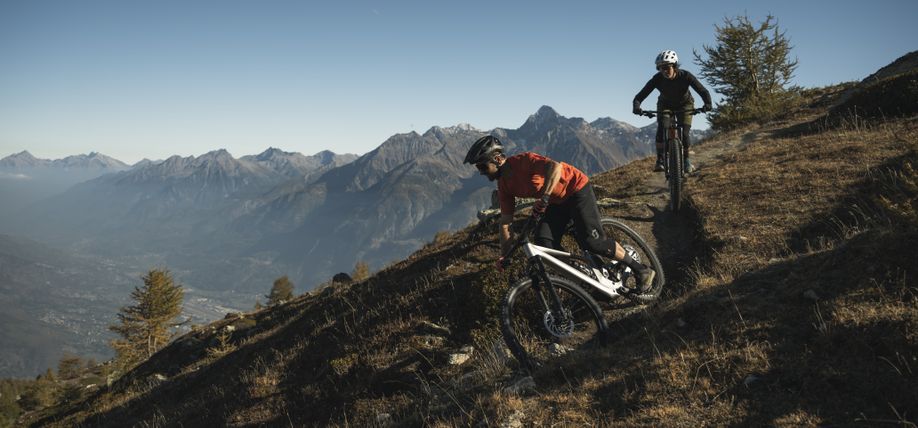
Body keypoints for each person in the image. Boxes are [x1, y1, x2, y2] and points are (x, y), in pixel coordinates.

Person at [464, 135, 655, 292]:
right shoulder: (503, 186)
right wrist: (504, 256)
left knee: (592, 242)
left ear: (497, 159)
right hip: (557, 201)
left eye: (482, 166)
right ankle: (585, 275)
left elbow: (556, 167)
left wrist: (545, 197)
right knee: (544, 242)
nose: (481, 172)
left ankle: (642, 270)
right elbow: (505, 223)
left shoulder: (524, 161)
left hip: (576, 189)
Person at [633, 49, 713, 173]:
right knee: (662, 127)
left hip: (685, 104)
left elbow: (702, 90)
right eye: (661, 68)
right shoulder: (657, 78)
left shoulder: (685, 76)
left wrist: (707, 103)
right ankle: (660, 160)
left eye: (667, 67)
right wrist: (637, 107)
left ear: (674, 66)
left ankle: (686, 160)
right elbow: (640, 96)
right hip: (665, 104)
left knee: (685, 133)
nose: (664, 71)